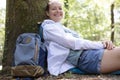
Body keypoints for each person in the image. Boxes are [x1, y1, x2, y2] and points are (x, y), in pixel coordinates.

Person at [41, 0, 120, 76]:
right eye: (54, 9)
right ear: (47, 13)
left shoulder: (61, 28)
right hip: (85, 58)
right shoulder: (49, 28)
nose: (58, 11)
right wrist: (100, 45)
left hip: (89, 54)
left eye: (60, 8)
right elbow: (73, 43)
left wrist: (103, 43)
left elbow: (80, 41)